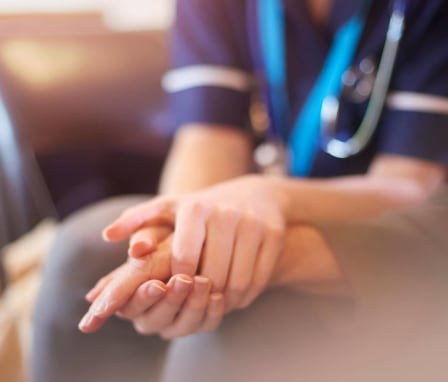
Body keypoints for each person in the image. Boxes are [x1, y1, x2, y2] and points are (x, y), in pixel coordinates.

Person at [31, 0, 448, 381]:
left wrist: (271, 196)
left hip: (393, 224)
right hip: (266, 202)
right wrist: (179, 240)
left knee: (240, 310)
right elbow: (208, 138)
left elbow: (409, 185)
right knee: (83, 249)